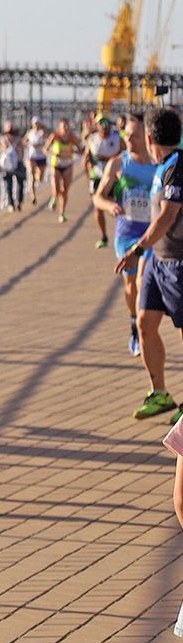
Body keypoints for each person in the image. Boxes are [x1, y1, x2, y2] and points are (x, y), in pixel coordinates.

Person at [121, 107, 183, 423]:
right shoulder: (163, 167)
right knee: (145, 323)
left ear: (148, 138)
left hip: (178, 262)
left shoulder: (178, 167)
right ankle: (159, 392)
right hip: (158, 262)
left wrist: (137, 247)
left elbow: (167, 215)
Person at [94, 110, 157, 359]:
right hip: (126, 233)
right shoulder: (118, 163)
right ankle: (135, 322)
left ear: (147, 135)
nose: (129, 140)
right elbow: (98, 197)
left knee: (143, 281)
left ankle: (144, 326)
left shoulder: (158, 164)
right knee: (131, 283)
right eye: (127, 135)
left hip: (152, 234)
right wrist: (110, 205)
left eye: (135, 135)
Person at [85, 113, 126, 248]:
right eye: (100, 123)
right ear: (96, 125)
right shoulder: (92, 139)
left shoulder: (117, 138)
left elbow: (128, 153)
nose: (104, 126)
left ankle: (122, 231)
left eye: (106, 123)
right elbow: (87, 156)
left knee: (117, 205)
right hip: (97, 176)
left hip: (114, 177)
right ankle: (103, 236)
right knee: (98, 207)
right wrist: (88, 167)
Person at [48, 118, 81, 222]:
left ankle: (62, 213)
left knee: (65, 190)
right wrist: (54, 153)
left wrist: (72, 151)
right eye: (64, 126)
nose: (66, 128)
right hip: (56, 164)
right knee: (56, 187)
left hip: (67, 164)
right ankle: (54, 198)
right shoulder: (54, 136)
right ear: (59, 127)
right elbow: (45, 149)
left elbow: (80, 150)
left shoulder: (72, 137)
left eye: (67, 126)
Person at [0, 123, 26, 212]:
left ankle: (13, 203)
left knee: (11, 184)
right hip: (16, 162)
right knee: (17, 184)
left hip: (9, 164)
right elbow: (22, 150)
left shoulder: (4, 139)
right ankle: (17, 202)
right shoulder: (18, 139)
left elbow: (3, 150)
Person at [25, 116, 50, 205]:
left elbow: (49, 140)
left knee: (40, 178)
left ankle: (36, 179)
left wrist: (43, 145)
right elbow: (24, 141)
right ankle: (33, 196)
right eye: (34, 123)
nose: (36, 125)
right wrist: (28, 144)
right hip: (32, 156)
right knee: (31, 176)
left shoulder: (42, 132)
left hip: (41, 156)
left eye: (37, 123)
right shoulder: (30, 133)